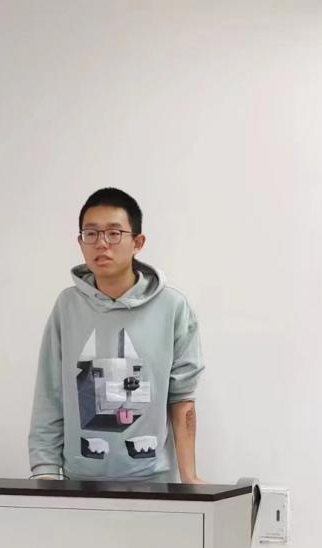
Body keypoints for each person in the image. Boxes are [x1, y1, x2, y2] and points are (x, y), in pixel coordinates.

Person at [29, 187, 203, 483]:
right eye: (91, 234)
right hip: (78, 482)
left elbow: (182, 397)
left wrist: (189, 478)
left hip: (153, 481)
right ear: (80, 242)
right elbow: (50, 392)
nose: (101, 244)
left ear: (138, 242)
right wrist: (44, 472)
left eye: (113, 233)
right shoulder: (67, 306)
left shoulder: (172, 306)